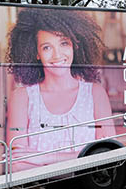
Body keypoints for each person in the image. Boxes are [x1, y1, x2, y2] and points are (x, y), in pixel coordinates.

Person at [6, 9, 115, 171]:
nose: (57, 55)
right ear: (36, 53)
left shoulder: (95, 93)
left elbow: (109, 154)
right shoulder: (22, 97)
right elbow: (16, 164)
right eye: (46, 48)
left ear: (75, 46)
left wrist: (43, 157)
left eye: (64, 43)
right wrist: (82, 158)